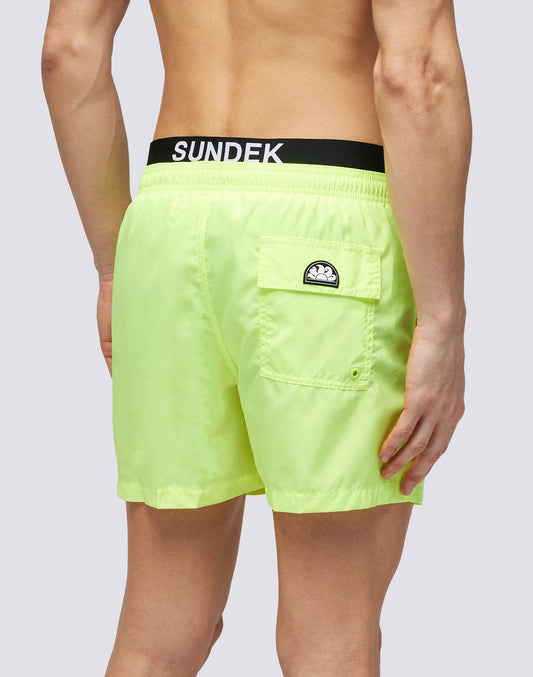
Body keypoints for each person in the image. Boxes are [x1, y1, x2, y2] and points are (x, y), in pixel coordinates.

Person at [41, 0, 471, 674]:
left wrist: (111, 266)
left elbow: (67, 52)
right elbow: (415, 74)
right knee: (330, 637)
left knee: (157, 635)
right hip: (323, 221)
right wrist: (442, 319)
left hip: (169, 216)